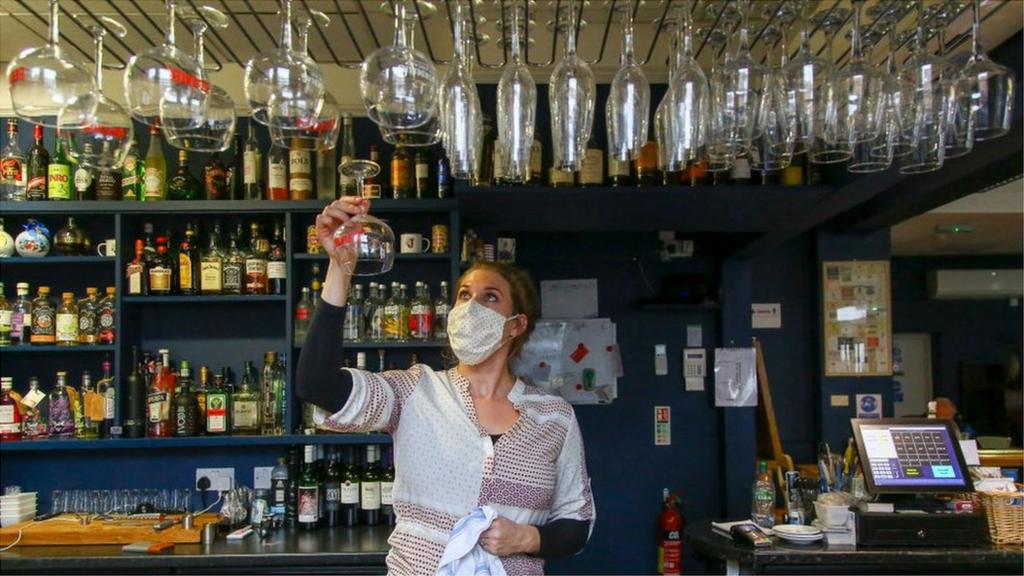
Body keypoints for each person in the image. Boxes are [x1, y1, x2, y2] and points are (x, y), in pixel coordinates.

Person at [296, 198, 595, 575]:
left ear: (517, 325)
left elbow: (577, 523)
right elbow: (316, 385)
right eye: (464, 295)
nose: (471, 307)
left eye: (490, 297)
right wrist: (340, 268)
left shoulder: (554, 418)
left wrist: (526, 538)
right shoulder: (414, 392)